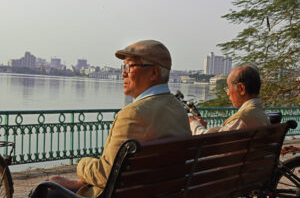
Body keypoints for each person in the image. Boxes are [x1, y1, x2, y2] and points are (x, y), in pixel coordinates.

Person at [48, 40, 191, 197]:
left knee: (48, 188)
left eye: (129, 67)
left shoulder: (134, 113)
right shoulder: (178, 109)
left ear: (154, 73)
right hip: (161, 191)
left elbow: (106, 175)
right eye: (123, 67)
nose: (123, 73)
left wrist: (82, 164)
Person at [190, 64, 270, 135]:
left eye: (228, 88)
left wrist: (193, 123)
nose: (228, 93)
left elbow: (209, 142)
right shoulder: (260, 114)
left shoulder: (242, 119)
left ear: (241, 88)